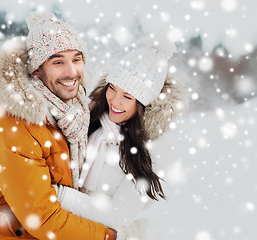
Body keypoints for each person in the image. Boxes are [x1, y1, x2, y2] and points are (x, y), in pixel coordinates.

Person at [0, 12, 117, 240]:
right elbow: (41, 216)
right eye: (58, 62)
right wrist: (107, 236)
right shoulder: (12, 123)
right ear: (37, 70)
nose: (72, 72)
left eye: (76, 59)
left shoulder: (74, 112)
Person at [52, 37, 189, 239]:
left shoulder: (152, 149)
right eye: (112, 88)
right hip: (62, 227)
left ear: (143, 104)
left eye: (127, 97)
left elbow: (120, 213)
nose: (114, 101)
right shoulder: (89, 118)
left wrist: (60, 196)